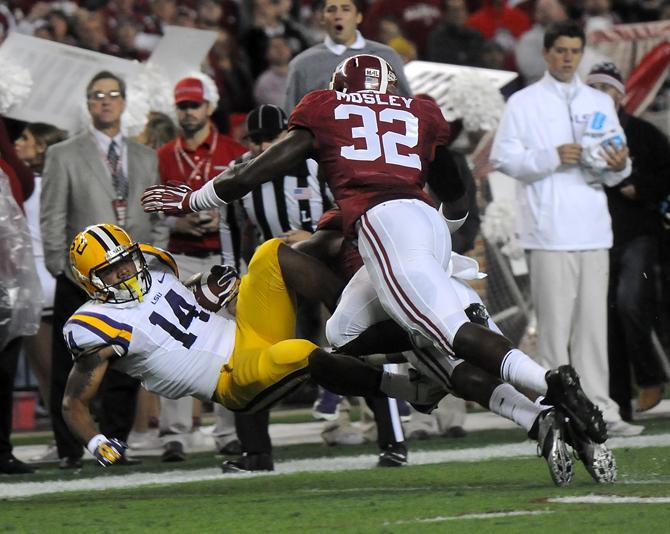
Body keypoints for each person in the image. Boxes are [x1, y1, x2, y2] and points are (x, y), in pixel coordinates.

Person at [142, 53, 610, 462]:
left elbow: (254, 172)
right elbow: (454, 186)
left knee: (447, 334)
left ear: (340, 90)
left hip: (387, 223)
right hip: (419, 225)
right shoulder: (418, 111)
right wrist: (443, 235)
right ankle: (436, 382)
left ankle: (552, 383)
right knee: (342, 331)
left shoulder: (327, 110)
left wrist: (193, 200)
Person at [60, 223, 441, 471]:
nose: (125, 272)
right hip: (232, 379)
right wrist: (95, 442)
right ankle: (407, 388)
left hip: (247, 333)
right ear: (91, 282)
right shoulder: (94, 327)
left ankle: (362, 321)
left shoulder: (158, 269)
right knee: (300, 352)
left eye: (126, 261)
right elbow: (73, 403)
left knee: (269, 253)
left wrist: (206, 294)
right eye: (111, 271)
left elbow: (183, 310)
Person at [298, 207, 616, 485]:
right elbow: (453, 213)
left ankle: (539, 417)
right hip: (454, 291)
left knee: (455, 374)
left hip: (406, 302)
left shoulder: (356, 223)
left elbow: (342, 325)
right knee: (500, 359)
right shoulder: (409, 204)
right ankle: (560, 410)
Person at [490, 21, 643, 438]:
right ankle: (556, 410)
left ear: (581, 53)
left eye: (574, 51)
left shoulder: (599, 102)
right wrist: (549, 156)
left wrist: (619, 167)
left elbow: (617, 165)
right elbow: (504, 158)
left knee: (594, 327)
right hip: (548, 229)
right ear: (547, 52)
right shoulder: (523, 102)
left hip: (593, 227)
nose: (567, 58)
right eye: (560, 51)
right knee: (554, 331)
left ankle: (603, 409)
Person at [41, 70, 169, 469]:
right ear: (88, 102)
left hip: (133, 281)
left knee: (127, 365)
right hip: (81, 281)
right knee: (71, 364)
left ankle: (115, 445)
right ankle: (69, 450)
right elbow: (51, 220)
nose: (105, 101)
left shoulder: (146, 155)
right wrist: (67, 271)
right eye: (97, 95)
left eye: (112, 94)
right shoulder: (62, 154)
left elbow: (158, 215)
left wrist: (151, 263)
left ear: (124, 101)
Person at [155, 74, 248, 462]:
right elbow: (153, 206)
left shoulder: (234, 150)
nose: (188, 112)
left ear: (210, 107)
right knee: (173, 341)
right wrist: (178, 221)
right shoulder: (161, 155)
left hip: (225, 256)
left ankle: (227, 431)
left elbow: (248, 204)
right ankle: (174, 433)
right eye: (182, 106)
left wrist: (222, 216)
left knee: (229, 345)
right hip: (181, 256)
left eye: (194, 105)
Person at [586, 62, 670, 418]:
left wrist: (642, 189)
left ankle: (651, 375)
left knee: (630, 302)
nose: (600, 96)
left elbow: (667, 177)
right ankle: (618, 403)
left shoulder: (643, 133)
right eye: (594, 89)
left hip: (638, 235)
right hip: (596, 237)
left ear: (620, 95)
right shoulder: (581, 137)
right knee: (604, 319)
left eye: (606, 89)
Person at [14, 123, 67, 445]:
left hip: (36, 285)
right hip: (64, 279)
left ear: (42, 147)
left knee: (48, 375)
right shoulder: (60, 181)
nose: (17, 144)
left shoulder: (25, 186)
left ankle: (65, 440)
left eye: (25, 139)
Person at [284, 0, 411, 113]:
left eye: (346, 9)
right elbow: (292, 119)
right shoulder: (302, 64)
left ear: (358, 17)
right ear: (322, 18)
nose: (338, 16)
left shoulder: (387, 55)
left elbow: (408, 106)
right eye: (331, 10)